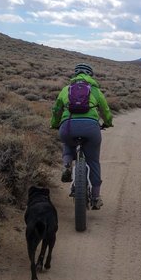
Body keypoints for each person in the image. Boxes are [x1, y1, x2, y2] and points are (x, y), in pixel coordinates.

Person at [50, 63, 113, 209]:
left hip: (68, 126)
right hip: (91, 128)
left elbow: (56, 110)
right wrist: (108, 123)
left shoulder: (66, 89)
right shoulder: (95, 90)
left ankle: (66, 165)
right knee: (93, 161)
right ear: (90, 76)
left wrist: (54, 124)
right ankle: (96, 197)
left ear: (75, 75)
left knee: (67, 143)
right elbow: (105, 109)